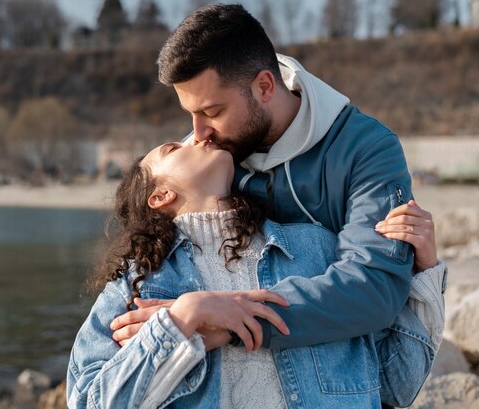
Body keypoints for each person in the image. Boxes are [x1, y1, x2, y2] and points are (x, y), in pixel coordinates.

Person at [111, 3, 442, 358]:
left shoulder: (366, 148)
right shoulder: (209, 158)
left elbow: (373, 289)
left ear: (265, 86)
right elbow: (147, 240)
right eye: (190, 114)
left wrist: (230, 320)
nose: (197, 133)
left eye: (211, 112)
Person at [67, 140, 446, 408]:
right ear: (160, 196)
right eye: (173, 148)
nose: (198, 134)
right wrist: (184, 317)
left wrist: (424, 271)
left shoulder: (317, 248)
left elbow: (399, 383)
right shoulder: (140, 282)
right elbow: (88, 401)